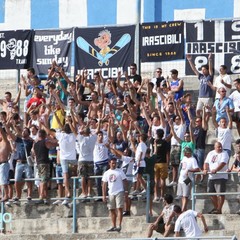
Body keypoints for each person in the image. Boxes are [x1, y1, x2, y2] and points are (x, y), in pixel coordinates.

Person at [102, 157, 127, 232]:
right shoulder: (106, 173)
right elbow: (104, 184)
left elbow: (125, 181)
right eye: (112, 163)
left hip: (119, 191)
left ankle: (119, 225)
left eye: (115, 163)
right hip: (111, 193)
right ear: (109, 163)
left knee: (119, 208)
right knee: (111, 209)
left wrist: (126, 191)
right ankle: (113, 225)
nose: (114, 164)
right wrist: (104, 195)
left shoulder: (120, 171)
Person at [203, 141, 229, 214]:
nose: (220, 148)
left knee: (220, 193)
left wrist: (216, 170)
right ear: (214, 147)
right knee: (211, 193)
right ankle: (216, 208)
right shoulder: (211, 153)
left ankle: (219, 209)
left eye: (221, 146)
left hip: (221, 176)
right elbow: (206, 162)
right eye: (218, 147)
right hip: (211, 177)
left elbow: (223, 163)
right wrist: (205, 169)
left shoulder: (224, 153)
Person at [186, 53, 213, 121]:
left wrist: (209, 59)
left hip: (207, 97)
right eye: (202, 70)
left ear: (207, 70)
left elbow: (210, 70)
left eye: (204, 69)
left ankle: (205, 124)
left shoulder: (210, 76)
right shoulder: (201, 76)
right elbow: (194, 69)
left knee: (207, 112)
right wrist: (189, 60)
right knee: (197, 111)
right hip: (200, 97)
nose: (202, 71)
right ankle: (201, 122)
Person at [33, 129, 58, 204]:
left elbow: (34, 153)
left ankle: (46, 197)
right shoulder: (45, 142)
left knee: (43, 179)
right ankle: (41, 196)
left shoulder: (35, 144)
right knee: (43, 180)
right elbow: (53, 145)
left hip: (38, 163)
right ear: (44, 135)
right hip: (44, 163)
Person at [176, 147, 200, 211]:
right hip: (181, 178)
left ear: (188, 153)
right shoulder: (184, 158)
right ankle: (184, 208)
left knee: (185, 195)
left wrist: (189, 170)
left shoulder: (193, 159)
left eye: (185, 152)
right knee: (181, 195)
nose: (184, 153)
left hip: (187, 179)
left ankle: (183, 209)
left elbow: (197, 169)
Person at [0, 125, 11, 202]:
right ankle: (1, 194)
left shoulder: (5, 141)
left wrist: (0, 128)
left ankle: (6, 195)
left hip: (4, 163)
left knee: (4, 181)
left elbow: (4, 135)